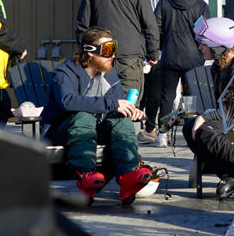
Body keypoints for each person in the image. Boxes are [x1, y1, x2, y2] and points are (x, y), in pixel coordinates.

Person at [41, 27, 152, 205]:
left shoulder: (110, 73)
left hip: (90, 131)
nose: (112, 56)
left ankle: (128, 175)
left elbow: (116, 104)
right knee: (83, 116)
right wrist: (114, 104)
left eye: (114, 49)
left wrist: (131, 110)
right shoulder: (66, 72)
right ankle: (86, 174)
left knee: (120, 120)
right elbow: (68, 102)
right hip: (60, 132)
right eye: (107, 51)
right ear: (90, 52)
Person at [76, 0, 160, 100]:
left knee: (101, 100)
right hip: (129, 53)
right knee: (130, 102)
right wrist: (153, 53)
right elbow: (150, 25)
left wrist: (85, 52)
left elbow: (83, 25)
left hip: (102, 52)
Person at [182, 15, 234, 200]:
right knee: (189, 127)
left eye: (204, 44)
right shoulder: (218, 67)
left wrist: (204, 118)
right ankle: (230, 175)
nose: (200, 48)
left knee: (204, 131)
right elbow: (220, 105)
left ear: (219, 46)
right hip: (229, 120)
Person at [154, 0, 210, 147]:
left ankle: (162, 134)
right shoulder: (201, 5)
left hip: (170, 55)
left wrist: (158, 48)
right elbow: (204, 33)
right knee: (191, 97)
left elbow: (156, 28)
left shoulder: (164, 2)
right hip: (193, 57)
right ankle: (190, 133)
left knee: (167, 97)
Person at [137, 0, 163, 143]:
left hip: (156, 52)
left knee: (154, 92)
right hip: (139, 50)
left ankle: (150, 127)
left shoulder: (161, 1)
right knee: (139, 91)